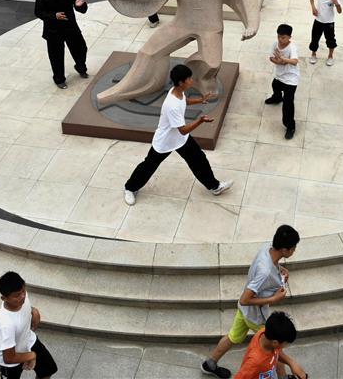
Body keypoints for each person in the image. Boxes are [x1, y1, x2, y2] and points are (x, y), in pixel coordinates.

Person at [123, 64, 232, 206]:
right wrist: (200, 121)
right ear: (181, 82)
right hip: (165, 141)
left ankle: (214, 186)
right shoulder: (172, 105)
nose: (191, 81)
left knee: (199, 160)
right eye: (189, 79)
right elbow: (183, 130)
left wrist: (200, 100)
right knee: (148, 166)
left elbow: (184, 102)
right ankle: (130, 188)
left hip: (180, 139)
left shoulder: (178, 92)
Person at [202, 225, 300, 379]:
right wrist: (273, 299)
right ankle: (283, 377)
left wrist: (280, 269)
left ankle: (209, 364)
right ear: (284, 250)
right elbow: (245, 299)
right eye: (293, 248)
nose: (294, 250)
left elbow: (269, 265)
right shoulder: (265, 271)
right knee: (276, 345)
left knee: (232, 337)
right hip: (256, 315)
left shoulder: (267, 248)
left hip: (244, 311)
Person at [0, 271, 58, 379]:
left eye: (23, 291)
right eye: (17, 295)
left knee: (47, 370)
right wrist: (31, 355)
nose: (23, 296)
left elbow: (24, 307)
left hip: (29, 340)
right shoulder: (5, 324)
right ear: (4, 298)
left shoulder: (21, 295)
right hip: (10, 360)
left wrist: (34, 310)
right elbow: (9, 357)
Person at [34, 0, 89, 89]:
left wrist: (80, 5)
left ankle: (81, 68)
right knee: (56, 57)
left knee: (81, 49)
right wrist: (54, 16)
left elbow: (82, 8)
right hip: (53, 32)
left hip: (70, 29)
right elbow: (37, 12)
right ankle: (59, 79)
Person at [234, 312, 307, 379]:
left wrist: (292, 363)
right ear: (275, 343)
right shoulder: (255, 362)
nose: (285, 346)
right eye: (286, 344)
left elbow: (277, 353)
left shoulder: (265, 332)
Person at [264, 24, 300, 140]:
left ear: (289, 37)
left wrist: (283, 59)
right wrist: (279, 62)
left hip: (291, 79)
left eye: (283, 37)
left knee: (288, 104)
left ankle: (290, 126)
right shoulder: (275, 44)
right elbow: (271, 58)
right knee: (275, 85)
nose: (280, 39)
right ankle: (277, 97)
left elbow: (294, 61)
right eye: (279, 36)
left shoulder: (292, 47)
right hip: (280, 76)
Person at [309, 0, 342, 65]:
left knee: (331, 40)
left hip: (329, 23)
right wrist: (313, 8)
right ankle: (313, 54)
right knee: (314, 39)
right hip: (318, 21)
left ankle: (330, 56)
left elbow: (339, 11)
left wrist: (337, 4)